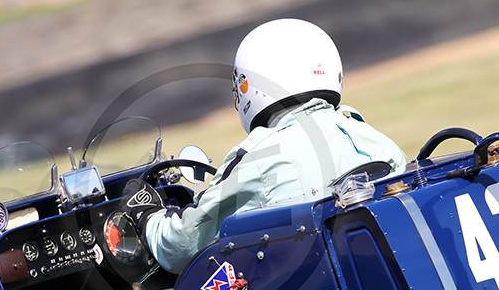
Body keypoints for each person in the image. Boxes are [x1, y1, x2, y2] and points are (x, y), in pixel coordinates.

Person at [121, 18, 407, 274]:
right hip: (377, 279)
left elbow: (181, 246)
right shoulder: (375, 140)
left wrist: (147, 217)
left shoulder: (258, 158)